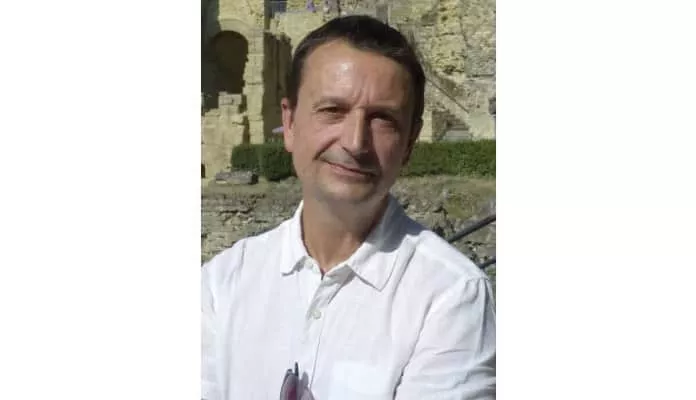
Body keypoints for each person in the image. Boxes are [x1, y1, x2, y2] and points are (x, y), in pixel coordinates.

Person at [201, 15, 496, 400]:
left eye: (382, 119)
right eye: (332, 110)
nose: (355, 142)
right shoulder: (221, 283)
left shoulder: (451, 296)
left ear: (409, 143)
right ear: (289, 124)